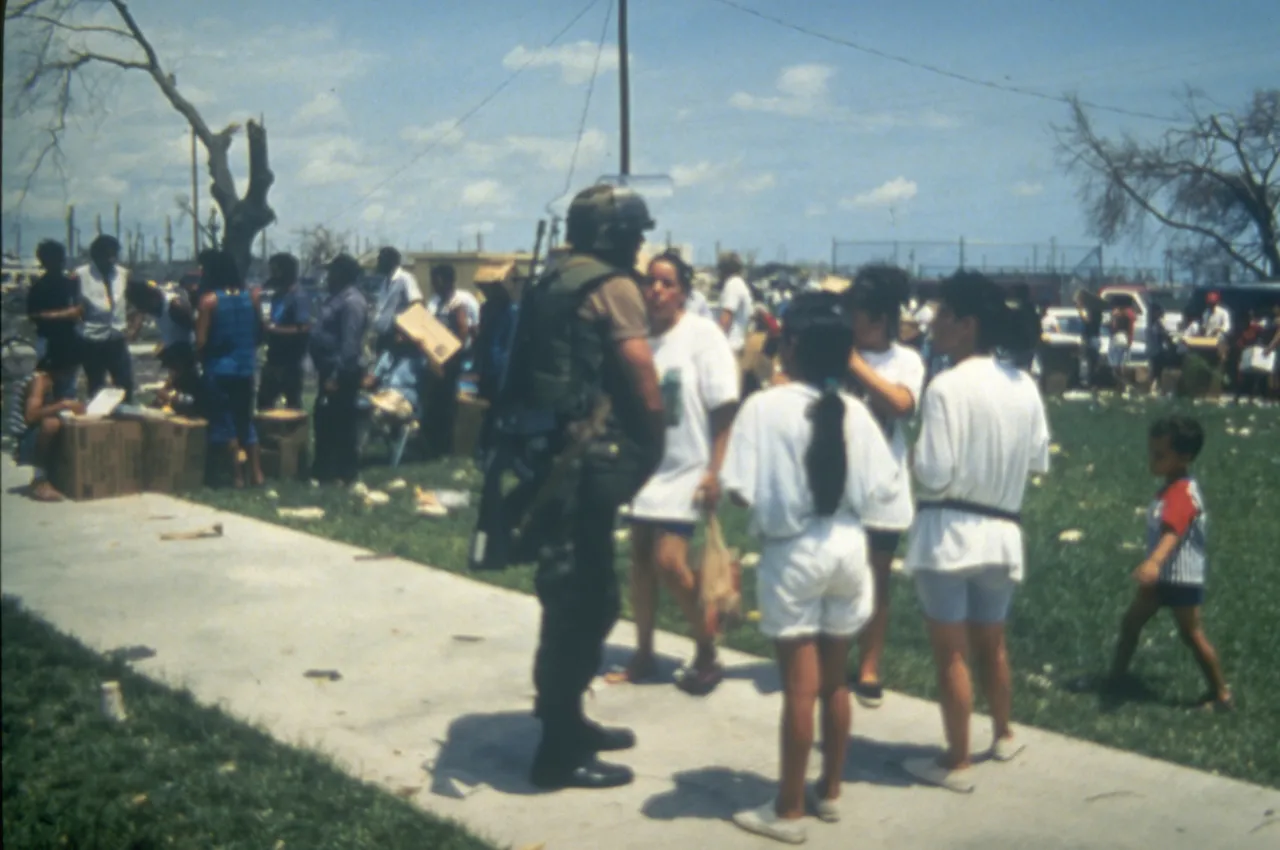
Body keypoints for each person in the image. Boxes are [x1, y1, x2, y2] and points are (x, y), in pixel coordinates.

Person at [497, 184, 665, 790]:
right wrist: (657, 444)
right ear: (613, 235)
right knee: (584, 603)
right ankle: (558, 750)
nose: (642, 243)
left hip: (549, 461)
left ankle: (565, 716)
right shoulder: (613, 287)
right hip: (581, 466)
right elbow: (642, 379)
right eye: (634, 232)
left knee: (570, 596)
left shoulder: (555, 277)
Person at [721, 291, 902, 844]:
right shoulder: (854, 412)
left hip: (794, 550)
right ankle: (831, 790)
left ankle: (789, 808)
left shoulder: (763, 408)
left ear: (792, 346)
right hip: (849, 548)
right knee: (835, 682)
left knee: (798, 687)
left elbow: (739, 493)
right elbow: (884, 494)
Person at [901, 270, 1051, 794]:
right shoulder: (1024, 385)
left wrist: (916, 457)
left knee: (952, 653)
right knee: (993, 644)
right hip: (1003, 532)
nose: (932, 322)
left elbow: (935, 472)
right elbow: (1038, 460)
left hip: (949, 531)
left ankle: (957, 760)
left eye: (941, 314)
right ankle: (1004, 733)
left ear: (966, 325)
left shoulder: (944, 387)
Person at [612, 250, 740, 694]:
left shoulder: (703, 335)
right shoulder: (638, 338)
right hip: (646, 468)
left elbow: (725, 407)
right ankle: (643, 653)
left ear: (684, 290)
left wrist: (715, 471)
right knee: (641, 562)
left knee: (670, 562)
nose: (657, 290)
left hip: (689, 466)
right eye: (651, 282)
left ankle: (707, 646)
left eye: (667, 283)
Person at [842, 265, 926, 710]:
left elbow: (900, 405)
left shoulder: (906, 361)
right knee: (836, 574)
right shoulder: (833, 351)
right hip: (836, 488)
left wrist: (854, 365)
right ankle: (834, 657)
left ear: (878, 319)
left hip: (882, 489)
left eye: (857, 313)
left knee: (875, 577)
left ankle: (869, 666)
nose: (849, 321)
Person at [1108, 416, 1232, 711]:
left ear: (1184, 457)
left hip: (1179, 578)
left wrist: (1153, 562)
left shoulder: (1181, 494)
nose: (1152, 460)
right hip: (1162, 577)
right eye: (1151, 452)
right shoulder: (1170, 489)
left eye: (1160, 455)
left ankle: (1221, 693)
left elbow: (1172, 532)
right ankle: (1116, 679)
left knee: (1191, 633)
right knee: (1131, 623)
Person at [195, 249, 264, 489]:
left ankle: (236, 476)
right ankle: (256, 474)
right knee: (246, 421)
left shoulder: (209, 301)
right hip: (245, 368)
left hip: (219, 369)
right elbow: (258, 332)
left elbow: (201, 341)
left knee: (225, 423)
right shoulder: (251, 297)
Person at [310, 253, 369, 486]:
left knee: (340, 421)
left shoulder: (353, 301)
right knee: (326, 420)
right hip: (327, 368)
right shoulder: (336, 298)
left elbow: (350, 343)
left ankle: (344, 471)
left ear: (342, 274)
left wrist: (336, 375)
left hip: (341, 372)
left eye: (332, 272)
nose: (328, 276)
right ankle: (326, 469)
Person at [7, 349, 84, 502]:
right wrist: (62, 405)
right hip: (25, 438)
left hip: (34, 431)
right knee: (51, 423)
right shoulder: (40, 380)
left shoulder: (56, 382)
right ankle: (39, 479)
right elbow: (31, 415)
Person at [76, 234, 135, 401]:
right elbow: (75, 306)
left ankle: (126, 416)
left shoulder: (123, 274)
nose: (110, 260)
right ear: (96, 255)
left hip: (117, 336)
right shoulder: (81, 275)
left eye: (113, 255)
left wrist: (133, 327)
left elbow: (135, 303)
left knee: (124, 382)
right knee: (96, 384)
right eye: (105, 255)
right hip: (91, 338)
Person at [422, 263, 471, 459]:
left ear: (447, 280)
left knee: (445, 404)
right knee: (432, 403)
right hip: (433, 358)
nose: (434, 283)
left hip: (449, 362)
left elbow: (462, 331)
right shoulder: (436, 302)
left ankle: (444, 447)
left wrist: (447, 357)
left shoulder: (457, 303)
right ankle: (431, 444)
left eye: (437, 279)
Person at [26, 239, 82, 398]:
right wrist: (65, 315)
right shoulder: (39, 288)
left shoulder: (71, 284)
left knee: (68, 389)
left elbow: (81, 310)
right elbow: (34, 315)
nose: (60, 262)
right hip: (48, 342)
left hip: (70, 341)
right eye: (55, 258)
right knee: (45, 388)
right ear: (44, 261)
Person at [258, 252, 311, 410]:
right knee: (264, 403)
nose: (272, 275)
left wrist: (275, 329)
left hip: (290, 361)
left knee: (291, 404)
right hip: (273, 357)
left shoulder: (298, 295)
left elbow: (304, 327)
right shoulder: (273, 292)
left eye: (276, 270)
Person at [371, 246, 423, 353]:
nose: (378, 263)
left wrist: (405, 333)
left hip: (397, 338)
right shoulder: (385, 282)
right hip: (383, 338)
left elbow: (417, 305)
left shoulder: (405, 279)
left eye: (381, 260)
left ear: (390, 261)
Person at [716, 252, 754, 360]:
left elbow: (726, 316)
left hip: (731, 346)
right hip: (738, 344)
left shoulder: (732, 284)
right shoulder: (740, 284)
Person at [1075, 290, 1104, 390]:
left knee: (1089, 360)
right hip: (1095, 338)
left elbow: (1087, 321)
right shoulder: (1098, 312)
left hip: (1091, 338)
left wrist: (1079, 311)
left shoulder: (1094, 312)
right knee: (1092, 361)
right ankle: (1093, 382)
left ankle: (1091, 382)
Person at [1108, 303, 1135, 394]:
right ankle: (1122, 385)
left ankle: (1123, 384)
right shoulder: (1129, 317)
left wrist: (1112, 320)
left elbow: (1113, 329)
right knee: (1120, 365)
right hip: (1124, 339)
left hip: (1118, 339)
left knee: (1115, 365)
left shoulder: (1118, 318)